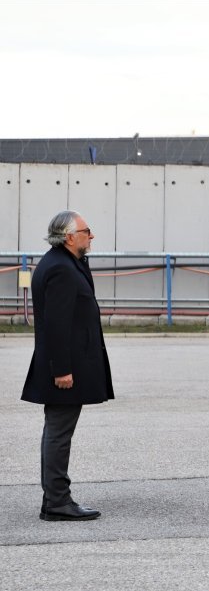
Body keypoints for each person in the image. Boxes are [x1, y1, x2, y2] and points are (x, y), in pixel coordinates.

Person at [22, 211, 113, 521]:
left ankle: (56, 498)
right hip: (64, 368)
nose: (92, 236)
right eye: (87, 231)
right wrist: (61, 369)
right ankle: (57, 501)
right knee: (59, 432)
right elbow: (56, 325)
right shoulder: (60, 268)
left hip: (69, 364)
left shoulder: (67, 263)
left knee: (58, 431)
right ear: (70, 236)